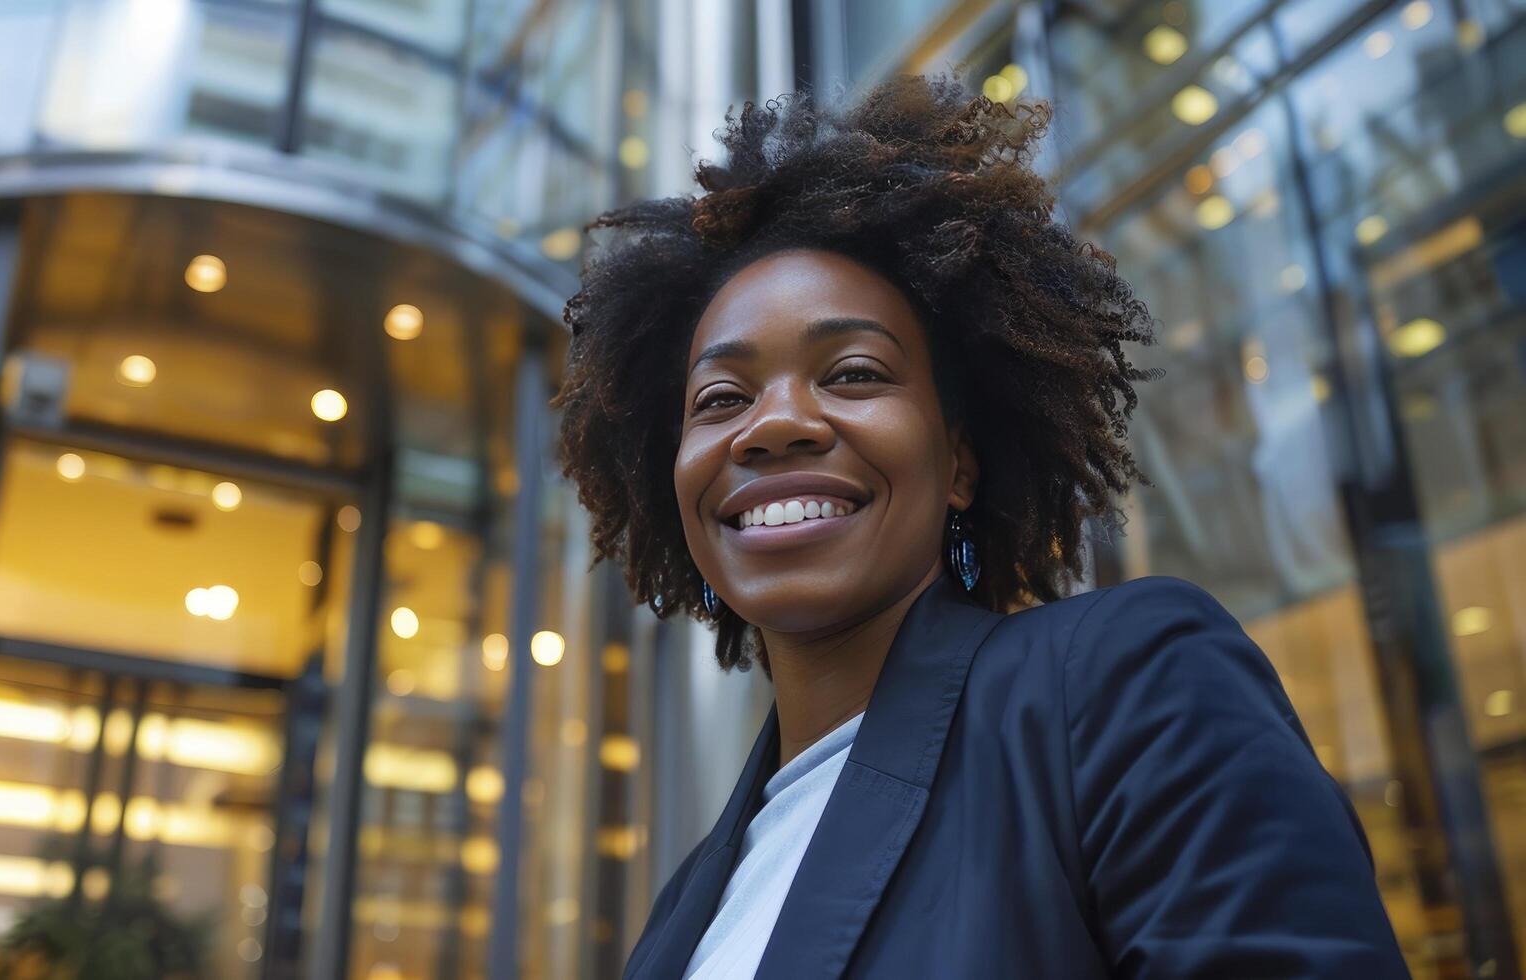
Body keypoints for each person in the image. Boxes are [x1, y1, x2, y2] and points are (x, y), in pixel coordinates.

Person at [553, 76, 1408, 979]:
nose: (773, 424)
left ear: (957, 462)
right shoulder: (683, 908)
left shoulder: (1121, 688)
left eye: (851, 374)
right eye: (722, 398)